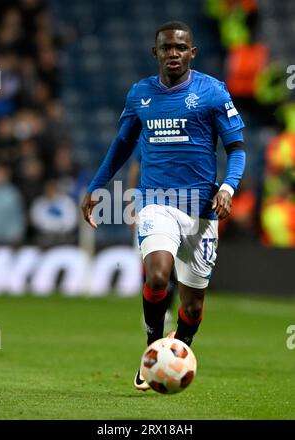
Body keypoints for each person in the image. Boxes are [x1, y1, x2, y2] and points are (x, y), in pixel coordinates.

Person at [81, 21, 246, 391]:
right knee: (157, 276)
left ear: (192, 52)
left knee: (191, 307)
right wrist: (96, 187)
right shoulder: (140, 94)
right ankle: (153, 347)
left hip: (202, 209)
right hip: (157, 202)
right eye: (167, 48)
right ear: (155, 53)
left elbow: (236, 150)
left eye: (181, 47)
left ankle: (179, 348)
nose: (174, 53)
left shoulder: (213, 93)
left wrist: (228, 188)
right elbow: (121, 145)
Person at [126, 144, 178, 331]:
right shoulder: (147, 139)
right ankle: (152, 310)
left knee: (171, 264)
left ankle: (167, 310)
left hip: (176, 206)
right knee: (148, 262)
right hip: (147, 206)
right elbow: (134, 171)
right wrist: (131, 206)